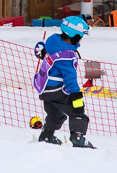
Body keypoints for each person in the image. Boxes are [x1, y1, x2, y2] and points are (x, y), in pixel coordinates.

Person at [36, 14, 93, 148]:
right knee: (78, 113)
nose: (81, 40)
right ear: (74, 36)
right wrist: (76, 97)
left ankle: (46, 136)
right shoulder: (67, 56)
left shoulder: (52, 41)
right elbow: (70, 79)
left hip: (45, 89)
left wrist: (81, 20)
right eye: (81, 37)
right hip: (57, 90)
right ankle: (77, 138)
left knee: (55, 114)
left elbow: (45, 52)